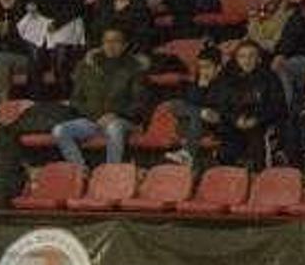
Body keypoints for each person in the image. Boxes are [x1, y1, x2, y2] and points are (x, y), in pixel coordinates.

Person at [51, 27, 147, 167]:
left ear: (125, 45)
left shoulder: (134, 68)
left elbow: (139, 102)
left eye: (116, 41)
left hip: (123, 119)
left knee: (114, 127)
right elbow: (76, 100)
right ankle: (81, 171)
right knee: (59, 130)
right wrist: (96, 116)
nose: (110, 45)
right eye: (107, 41)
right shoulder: (88, 67)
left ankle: (111, 172)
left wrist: (116, 114)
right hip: (94, 119)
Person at [207, 41, 289, 169]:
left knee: (256, 138)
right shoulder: (226, 79)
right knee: (226, 146)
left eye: (251, 56)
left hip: (261, 123)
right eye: (242, 56)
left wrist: (256, 119)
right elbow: (220, 105)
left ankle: (259, 174)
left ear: (259, 59)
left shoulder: (270, 78)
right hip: (233, 124)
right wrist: (235, 119)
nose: (247, 60)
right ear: (236, 59)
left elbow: (277, 106)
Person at [164, 47, 224, 168]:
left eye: (207, 67)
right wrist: (201, 90)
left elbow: (216, 108)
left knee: (195, 115)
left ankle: (188, 154)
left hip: (213, 125)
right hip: (193, 123)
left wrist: (203, 92)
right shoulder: (197, 83)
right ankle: (187, 155)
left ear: (218, 68)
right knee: (173, 103)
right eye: (201, 67)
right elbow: (187, 103)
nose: (203, 71)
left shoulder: (224, 85)